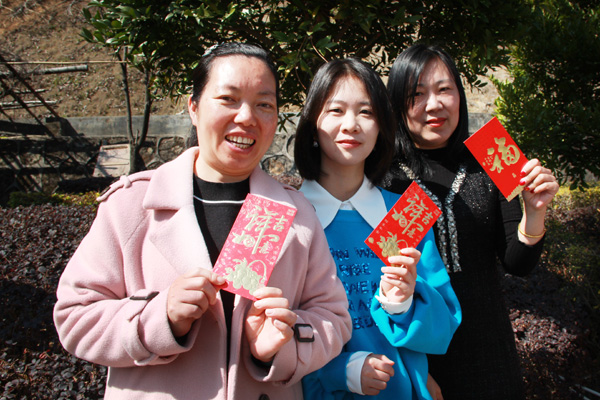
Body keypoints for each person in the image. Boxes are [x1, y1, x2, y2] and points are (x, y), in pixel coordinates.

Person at [53, 42, 352, 400]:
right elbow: (75, 317)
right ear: (193, 108)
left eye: (264, 104)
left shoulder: (296, 213)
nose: (247, 117)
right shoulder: (132, 205)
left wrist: (279, 347)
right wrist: (160, 318)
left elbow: (333, 317)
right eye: (228, 99)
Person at [382, 43, 560, 400]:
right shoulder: (384, 177)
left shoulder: (492, 156)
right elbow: (380, 282)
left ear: (460, 96)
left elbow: (517, 263)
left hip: (491, 355)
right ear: (398, 104)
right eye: (417, 94)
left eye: (444, 89)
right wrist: (416, 369)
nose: (434, 104)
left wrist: (535, 212)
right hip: (419, 353)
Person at [294, 58, 461, 399]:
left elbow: (443, 328)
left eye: (366, 112)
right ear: (312, 124)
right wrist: (335, 371)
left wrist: (403, 304)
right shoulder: (285, 218)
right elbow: (255, 331)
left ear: (383, 126)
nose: (351, 125)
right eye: (336, 110)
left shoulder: (404, 215)